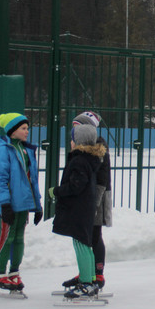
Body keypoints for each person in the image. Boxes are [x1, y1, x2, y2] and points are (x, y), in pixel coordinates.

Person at [50, 124, 106, 298]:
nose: (70, 142)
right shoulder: (90, 159)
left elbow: (76, 186)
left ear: (79, 141)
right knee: (85, 244)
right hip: (84, 208)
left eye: (72, 139)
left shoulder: (79, 160)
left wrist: (56, 191)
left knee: (81, 244)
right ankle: (89, 279)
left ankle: (87, 283)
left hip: (79, 209)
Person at [0, 113, 43, 292]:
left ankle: (14, 272)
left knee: (19, 238)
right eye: (23, 128)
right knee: (8, 236)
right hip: (11, 204)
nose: (27, 131)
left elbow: (32, 180)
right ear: (12, 131)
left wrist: (37, 206)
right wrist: (5, 203)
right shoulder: (4, 150)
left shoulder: (26, 150)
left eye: (27, 128)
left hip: (23, 203)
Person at [61, 111, 112, 291]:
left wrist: (95, 203)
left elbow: (102, 180)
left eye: (78, 127)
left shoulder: (98, 148)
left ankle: (97, 274)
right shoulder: (82, 149)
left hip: (96, 197)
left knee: (94, 235)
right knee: (86, 236)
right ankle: (86, 273)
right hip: (87, 196)